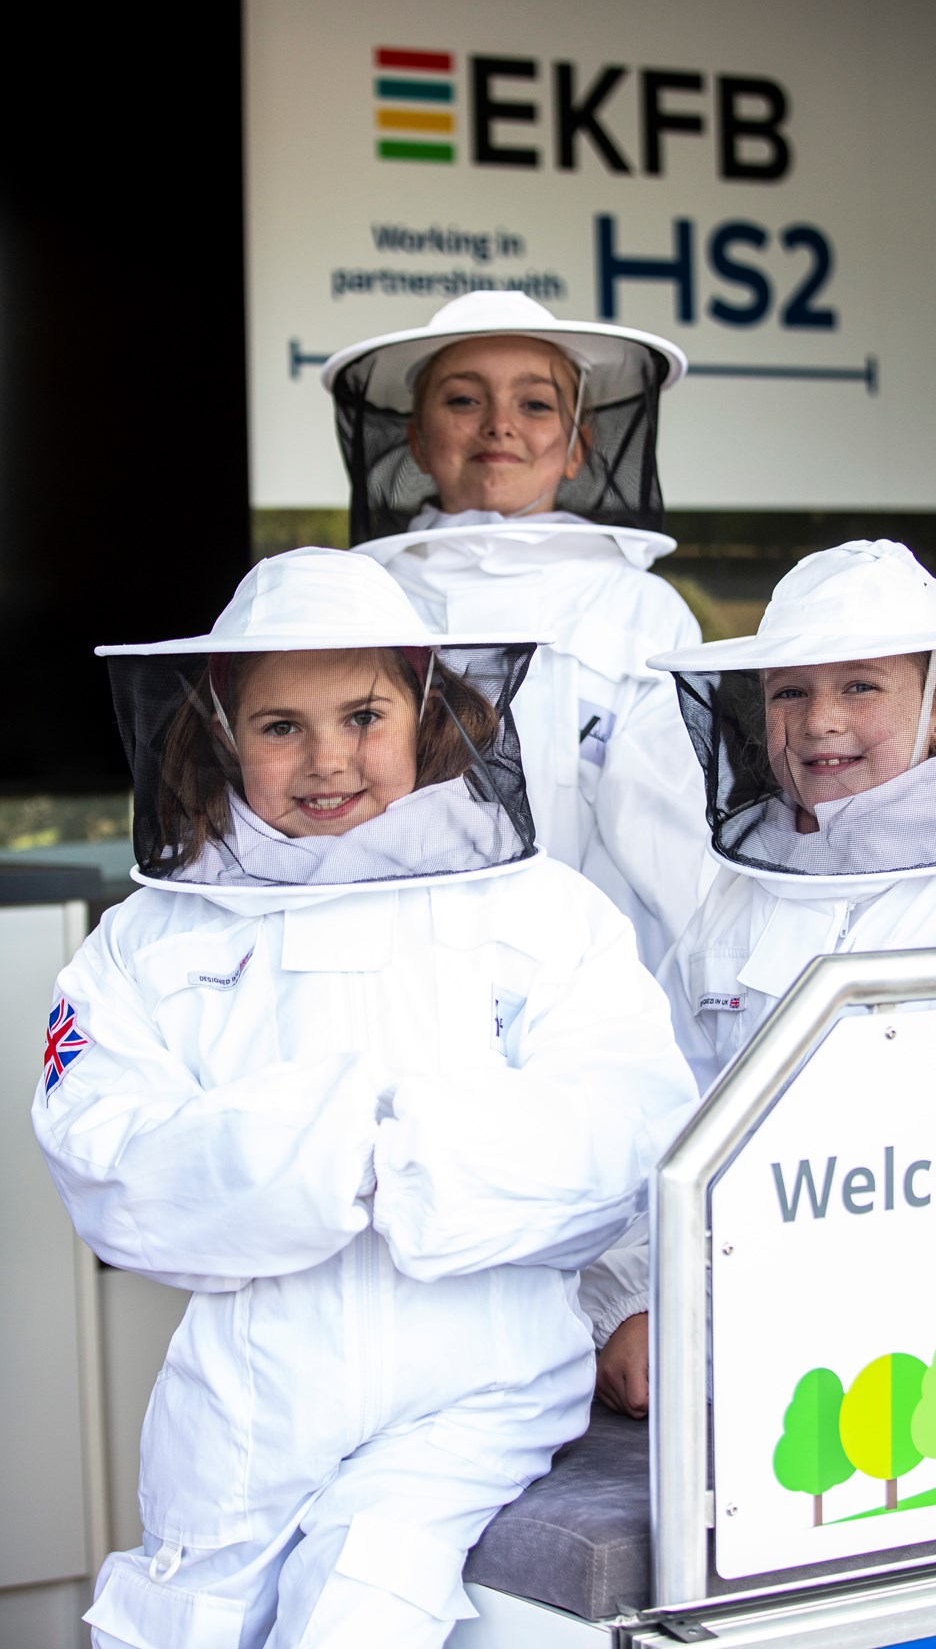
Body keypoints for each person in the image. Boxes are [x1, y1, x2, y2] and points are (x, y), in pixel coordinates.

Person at [32, 547, 696, 1649]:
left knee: (354, 1612)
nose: (326, 758)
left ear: (428, 714)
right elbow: (104, 1156)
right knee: (168, 1627)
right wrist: (336, 1151)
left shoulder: (543, 912)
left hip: (477, 1391)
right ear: (218, 734)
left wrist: (413, 1164)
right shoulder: (149, 940)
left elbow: (629, 1128)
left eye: (362, 715)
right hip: (244, 1404)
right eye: (280, 726)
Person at [590, 538, 936, 1419]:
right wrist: (629, 1304)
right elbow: (667, 1117)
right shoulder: (744, 892)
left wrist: (726, 1317)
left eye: (860, 686)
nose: (820, 720)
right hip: (735, 1349)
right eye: (792, 691)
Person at [322, 290, 712, 974]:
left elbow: (676, 840)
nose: (500, 425)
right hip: (396, 980)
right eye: (464, 400)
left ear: (576, 446)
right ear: (415, 437)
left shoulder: (641, 609)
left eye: (534, 404)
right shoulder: (359, 606)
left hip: (604, 990)